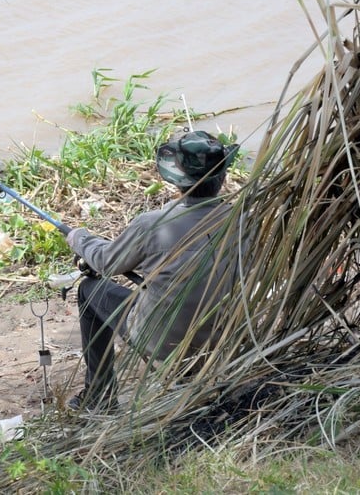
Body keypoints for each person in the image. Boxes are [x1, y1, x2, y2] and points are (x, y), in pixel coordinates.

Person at [63, 130, 240, 412]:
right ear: (223, 177)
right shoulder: (242, 219)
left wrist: (78, 238)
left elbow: (106, 262)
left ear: (177, 180)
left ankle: (99, 396)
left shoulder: (153, 224)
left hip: (162, 343)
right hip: (224, 339)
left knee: (89, 290)